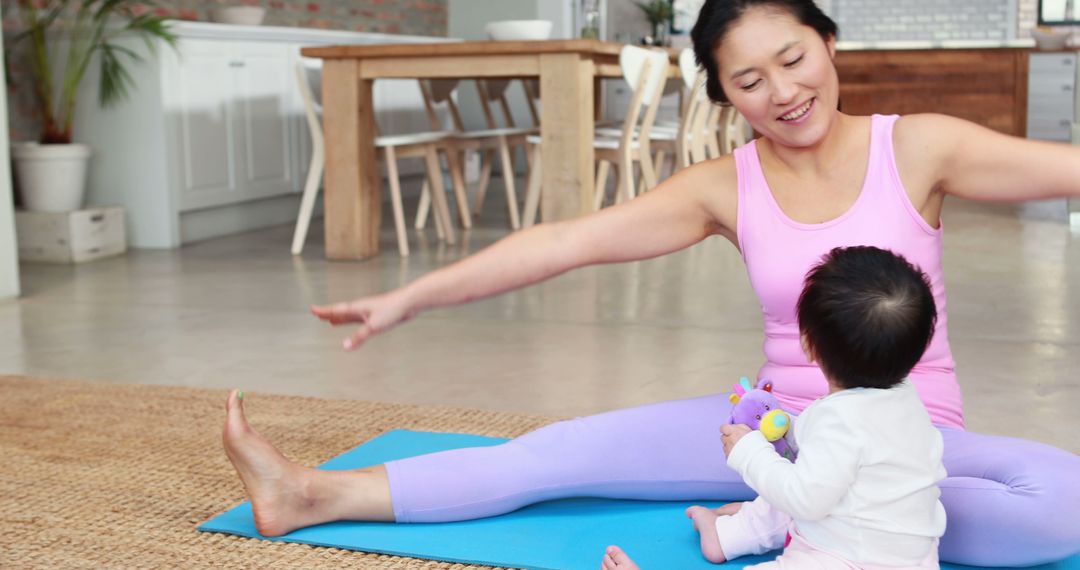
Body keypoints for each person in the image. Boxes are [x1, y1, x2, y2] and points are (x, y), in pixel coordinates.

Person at [221, 0, 1080, 565]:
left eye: (793, 58)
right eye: (750, 80)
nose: (784, 92)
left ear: (827, 40)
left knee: (1062, 503)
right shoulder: (723, 186)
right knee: (557, 453)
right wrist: (409, 295)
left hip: (906, 432)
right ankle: (308, 494)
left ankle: (813, 521)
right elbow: (564, 241)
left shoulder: (920, 146)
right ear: (723, 95)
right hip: (771, 426)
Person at [603, 246, 947, 570]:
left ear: (809, 344)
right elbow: (839, 459)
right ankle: (725, 534)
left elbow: (804, 499)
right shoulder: (906, 400)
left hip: (845, 561)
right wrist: (782, 430)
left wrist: (748, 451)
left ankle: (731, 533)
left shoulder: (841, 421)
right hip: (910, 558)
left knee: (790, 494)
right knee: (787, 494)